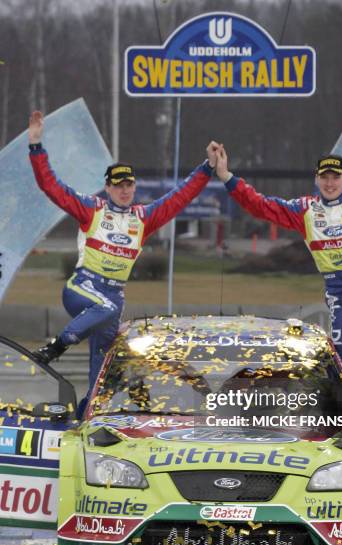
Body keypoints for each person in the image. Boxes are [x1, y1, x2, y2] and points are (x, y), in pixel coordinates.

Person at [28, 110, 217, 414]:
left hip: (112, 298)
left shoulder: (143, 218)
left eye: (129, 184)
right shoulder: (92, 210)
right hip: (82, 289)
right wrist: (36, 146)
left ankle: (87, 417)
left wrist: (207, 168)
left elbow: (179, 197)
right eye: (118, 185)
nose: (125, 190)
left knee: (102, 375)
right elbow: (51, 186)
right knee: (107, 307)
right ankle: (55, 347)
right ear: (107, 187)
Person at [214, 96, 342, 379]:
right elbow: (262, 205)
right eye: (324, 177)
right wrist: (226, 176)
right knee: (341, 369)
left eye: (335, 177)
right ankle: (341, 414)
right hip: (341, 292)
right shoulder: (304, 210)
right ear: (317, 179)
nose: (330, 183)